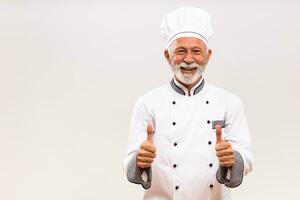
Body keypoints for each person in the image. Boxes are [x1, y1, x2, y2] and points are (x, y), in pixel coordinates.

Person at [123, 6, 253, 200]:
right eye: (181, 51)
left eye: (196, 51)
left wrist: (233, 158)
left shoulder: (229, 103)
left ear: (208, 55)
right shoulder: (147, 103)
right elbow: (129, 162)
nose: (189, 59)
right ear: (168, 56)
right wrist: (140, 161)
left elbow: (247, 156)